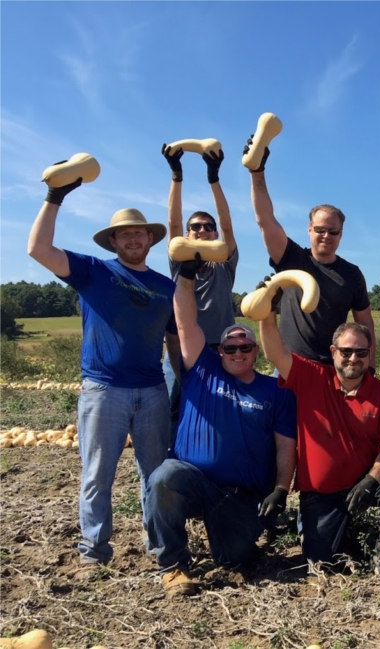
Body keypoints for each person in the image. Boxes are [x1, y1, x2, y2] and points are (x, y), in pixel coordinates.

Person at [27, 175, 179, 569]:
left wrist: (183, 384)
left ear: (150, 239)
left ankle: (158, 545)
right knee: (97, 475)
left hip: (152, 390)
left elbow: (177, 341)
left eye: (139, 233)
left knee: (156, 476)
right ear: (113, 241)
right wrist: (54, 197)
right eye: (124, 234)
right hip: (103, 390)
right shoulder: (92, 271)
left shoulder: (167, 287)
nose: (132, 239)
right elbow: (38, 249)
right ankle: (95, 551)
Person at [147, 266, 296, 597]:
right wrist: (185, 278)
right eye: (231, 347)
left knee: (236, 560)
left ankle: (250, 535)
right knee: (165, 477)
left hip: (240, 498)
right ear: (220, 351)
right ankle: (173, 567)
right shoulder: (202, 370)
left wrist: (282, 489)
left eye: (246, 347)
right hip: (196, 484)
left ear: (256, 352)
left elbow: (286, 445)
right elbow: (185, 321)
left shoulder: (276, 391)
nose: (238, 352)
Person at [260, 308, 380, 580]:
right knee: (320, 567)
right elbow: (273, 353)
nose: (354, 358)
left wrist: (371, 481)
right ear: (333, 351)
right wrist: (267, 312)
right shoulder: (311, 377)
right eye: (347, 351)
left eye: (361, 353)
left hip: (362, 485)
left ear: (369, 353)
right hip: (321, 493)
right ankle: (328, 530)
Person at [247, 143, 375, 367]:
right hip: (291, 364)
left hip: (334, 368)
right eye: (320, 230)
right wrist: (257, 172)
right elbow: (265, 219)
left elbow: (364, 322)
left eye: (333, 231)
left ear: (341, 234)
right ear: (309, 229)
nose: (326, 235)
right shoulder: (291, 258)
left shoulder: (352, 274)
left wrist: (370, 367)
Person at [160, 144, 239, 435]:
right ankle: (170, 467)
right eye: (195, 227)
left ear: (215, 234)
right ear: (188, 234)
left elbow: (229, 227)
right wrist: (176, 175)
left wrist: (213, 177)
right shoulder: (179, 259)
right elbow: (172, 222)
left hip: (221, 350)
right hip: (180, 352)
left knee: (222, 411)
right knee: (173, 409)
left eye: (208, 226)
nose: (202, 230)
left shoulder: (224, 265)